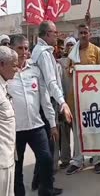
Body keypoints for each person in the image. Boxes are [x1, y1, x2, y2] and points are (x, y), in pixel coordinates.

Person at [8, 35, 62, 196]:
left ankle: (45, 191)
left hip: (36, 126)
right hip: (15, 130)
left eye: (26, 48)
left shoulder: (35, 70)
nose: (24, 52)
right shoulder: (6, 73)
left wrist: (52, 124)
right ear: (12, 49)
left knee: (46, 159)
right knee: (17, 168)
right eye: (20, 48)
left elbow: (45, 99)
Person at [67, 23, 100, 175]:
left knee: (94, 129)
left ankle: (97, 160)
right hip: (76, 98)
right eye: (80, 33)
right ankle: (77, 161)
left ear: (89, 34)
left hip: (93, 97)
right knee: (77, 132)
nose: (83, 35)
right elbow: (68, 70)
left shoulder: (96, 50)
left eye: (85, 32)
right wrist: (72, 70)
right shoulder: (72, 51)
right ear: (78, 35)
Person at [30, 21, 72, 124]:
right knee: (52, 136)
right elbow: (51, 82)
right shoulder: (44, 54)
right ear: (48, 33)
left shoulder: (40, 50)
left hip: (43, 100)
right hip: (47, 101)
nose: (57, 35)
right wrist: (62, 102)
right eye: (55, 32)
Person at [0, 46, 18, 196]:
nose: (16, 69)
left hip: (8, 157)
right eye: (13, 65)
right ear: (1, 64)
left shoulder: (4, 86)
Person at [56, 37, 76, 170]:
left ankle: (77, 158)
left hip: (76, 103)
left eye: (73, 45)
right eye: (68, 45)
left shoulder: (79, 61)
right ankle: (65, 159)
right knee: (64, 134)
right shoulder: (59, 63)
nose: (70, 47)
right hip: (64, 103)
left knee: (78, 133)